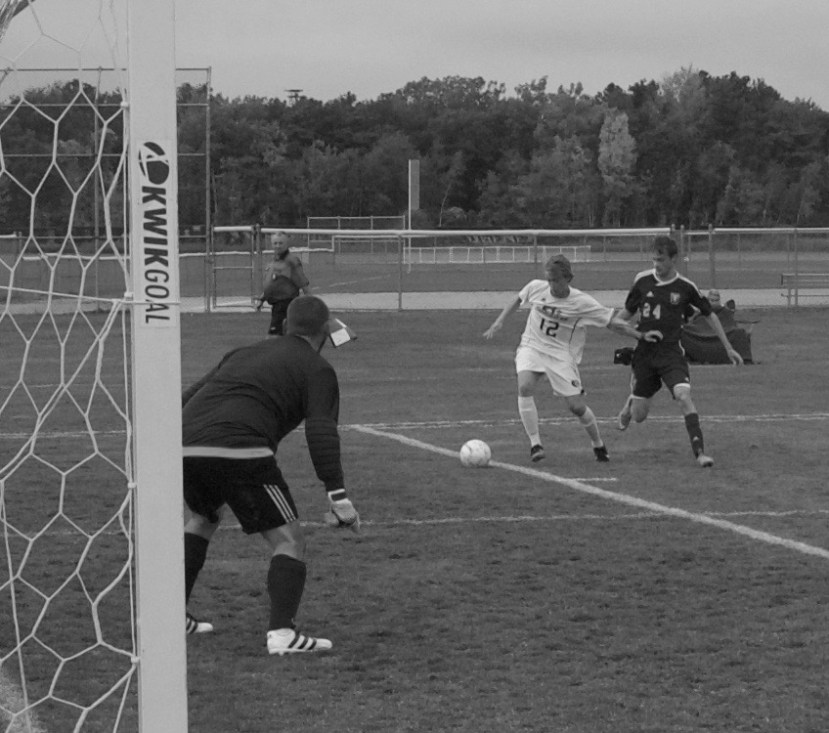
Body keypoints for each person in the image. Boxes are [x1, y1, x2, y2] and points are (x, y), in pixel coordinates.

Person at [181, 295, 360, 656]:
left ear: (287, 325)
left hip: (185, 443)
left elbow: (190, 397)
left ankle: (170, 615)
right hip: (242, 450)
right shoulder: (317, 368)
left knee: (202, 519)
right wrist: (338, 496)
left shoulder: (242, 352)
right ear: (326, 330)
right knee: (289, 541)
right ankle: (282, 635)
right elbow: (322, 430)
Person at [483, 254, 661, 463]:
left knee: (576, 406)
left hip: (561, 355)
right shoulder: (535, 287)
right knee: (524, 387)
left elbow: (612, 322)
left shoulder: (581, 302)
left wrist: (639, 335)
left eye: (556, 280)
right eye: (549, 279)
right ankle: (535, 444)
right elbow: (518, 299)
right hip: (532, 346)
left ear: (568, 278)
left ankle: (598, 444)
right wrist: (499, 322)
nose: (551, 284)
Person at [615, 236, 743, 467]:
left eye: (661, 260)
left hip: (671, 353)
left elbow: (709, 314)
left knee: (683, 396)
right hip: (645, 355)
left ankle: (700, 453)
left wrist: (729, 348)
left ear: (674, 259)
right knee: (638, 416)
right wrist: (637, 334)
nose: (656, 264)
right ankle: (631, 401)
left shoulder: (685, 287)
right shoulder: (642, 281)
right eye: (654, 259)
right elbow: (620, 319)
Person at [255, 231, 310, 335]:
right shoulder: (275, 261)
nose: (278, 246)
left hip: (286, 304)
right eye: (275, 243)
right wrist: (262, 299)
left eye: (281, 243)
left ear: (286, 244)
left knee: (274, 337)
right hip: (277, 306)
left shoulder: (291, 262)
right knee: (283, 337)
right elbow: (272, 284)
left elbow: (303, 283)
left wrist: (312, 303)